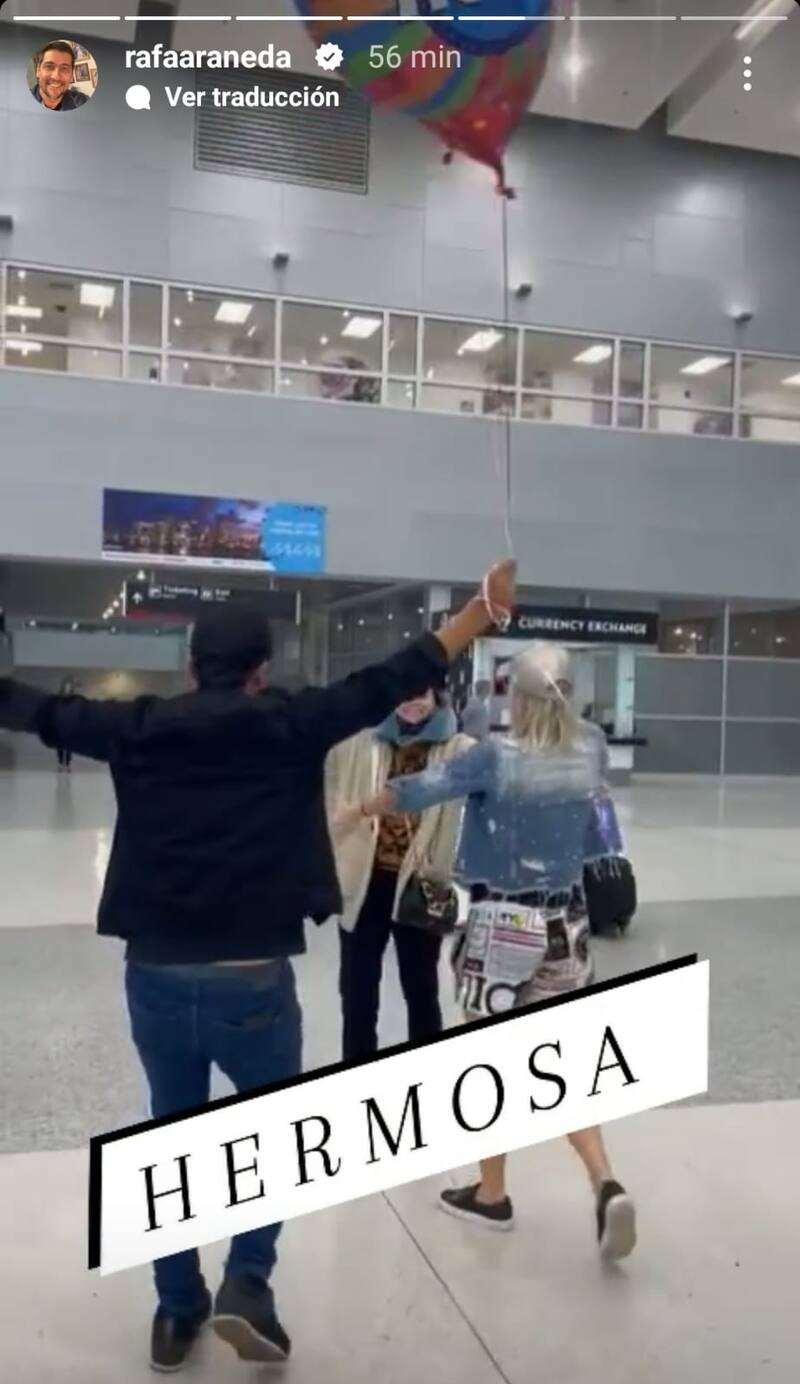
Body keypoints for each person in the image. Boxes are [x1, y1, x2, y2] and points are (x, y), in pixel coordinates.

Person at [0, 560, 516, 1372]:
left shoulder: (139, 726)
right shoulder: (290, 723)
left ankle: (176, 1312)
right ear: (261, 671)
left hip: (158, 976)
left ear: (190, 665)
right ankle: (248, 1281)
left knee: (171, 1138)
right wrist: (479, 612)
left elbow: (35, 709)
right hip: (255, 980)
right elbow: (390, 678)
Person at [345, 642, 636, 1262]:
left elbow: (420, 790)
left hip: (501, 927)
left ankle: (493, 1194)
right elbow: (600, 829)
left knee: (491, 1063)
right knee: (564, 1063)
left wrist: (363, 807)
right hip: (567, 923)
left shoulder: (495, 758)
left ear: (516, 699)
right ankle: (604, 1181)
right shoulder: (591, 746)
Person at [326, 687, 472, 1061]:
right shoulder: (363, 742)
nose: (411, 703)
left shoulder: (458, 749)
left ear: (437, 697)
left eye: (420, 695)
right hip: (365, 881)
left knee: (421, 988)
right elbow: (331, 790)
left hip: (420, 884)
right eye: (403, 694)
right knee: (357, 991)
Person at [31, 41, 89, 112]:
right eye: (49, 66)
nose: (56, 77)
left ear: (71, 74)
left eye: (64, 68)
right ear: (38, 70)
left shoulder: (84, 102)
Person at [55, 676, 76, 771]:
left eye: (69, 686)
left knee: (69, 746)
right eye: (66, 686)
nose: (67, 688)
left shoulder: (74, 698)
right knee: (59, 746)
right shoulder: (58, 698)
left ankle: (67, 764)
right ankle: (60, 763)